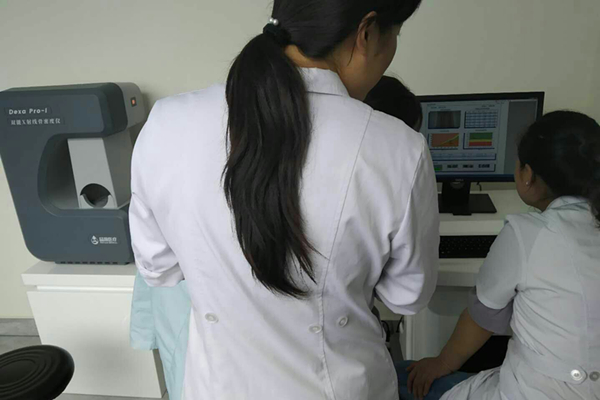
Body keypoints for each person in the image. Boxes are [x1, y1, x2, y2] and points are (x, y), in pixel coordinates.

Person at [129, 0, 440, 399]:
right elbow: (408, 296)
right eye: (395, 34)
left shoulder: (166, 123)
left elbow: (158, 269)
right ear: (366, 33)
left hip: (217, 387)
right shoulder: (399, 149)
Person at [399, 110, 600, 400]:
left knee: (400, 376)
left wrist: (441, 363)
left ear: (527, 175)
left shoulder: (527, 233)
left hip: (539, 393)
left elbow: (482, 317)